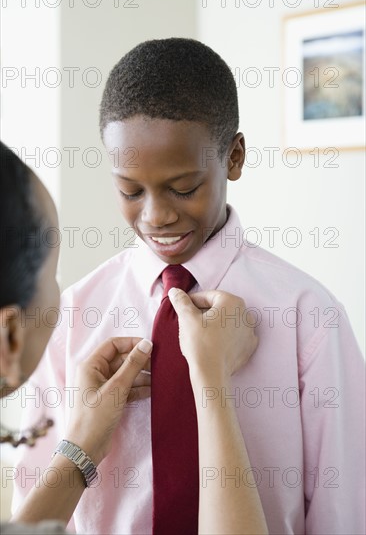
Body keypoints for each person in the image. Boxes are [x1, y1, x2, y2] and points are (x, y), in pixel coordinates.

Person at [12, 38, 365, 534]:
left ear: (234, 158)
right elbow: (36, 512)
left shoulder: (310, 317)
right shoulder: (74, 316)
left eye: (184, 188)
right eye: (129, 190)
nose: (156, 215)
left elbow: (341, 511)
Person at [1, 141, 267, 534]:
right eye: (52, 273)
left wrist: (83, 445)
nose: (157, 216)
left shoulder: (306, 309)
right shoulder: (81, 309)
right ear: (10, 337)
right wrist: (212, 382)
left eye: (185, 186)